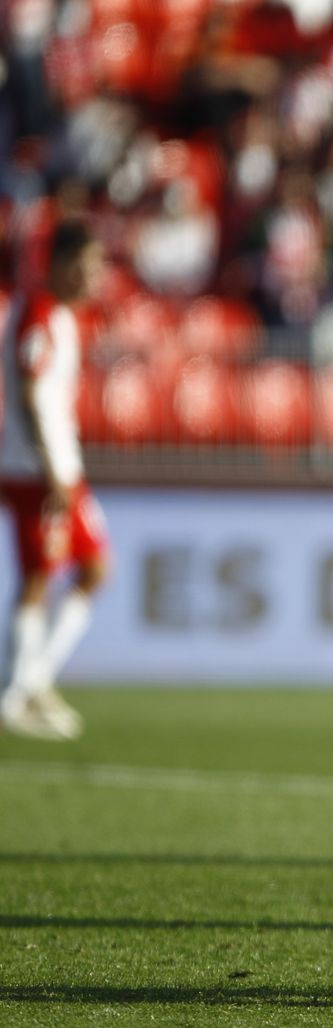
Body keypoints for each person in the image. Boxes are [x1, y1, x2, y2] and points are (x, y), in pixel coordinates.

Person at [0, 219, 111, 741]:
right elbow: (28, 395)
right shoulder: (40, 315)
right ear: (63, 264)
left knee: (91, 568)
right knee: (42, 576)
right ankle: (18, 694)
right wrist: (50, 469)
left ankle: (33, 680)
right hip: (37, 471)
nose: (95, 277)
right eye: (88, 266)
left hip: (58, 468)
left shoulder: (61, 316)